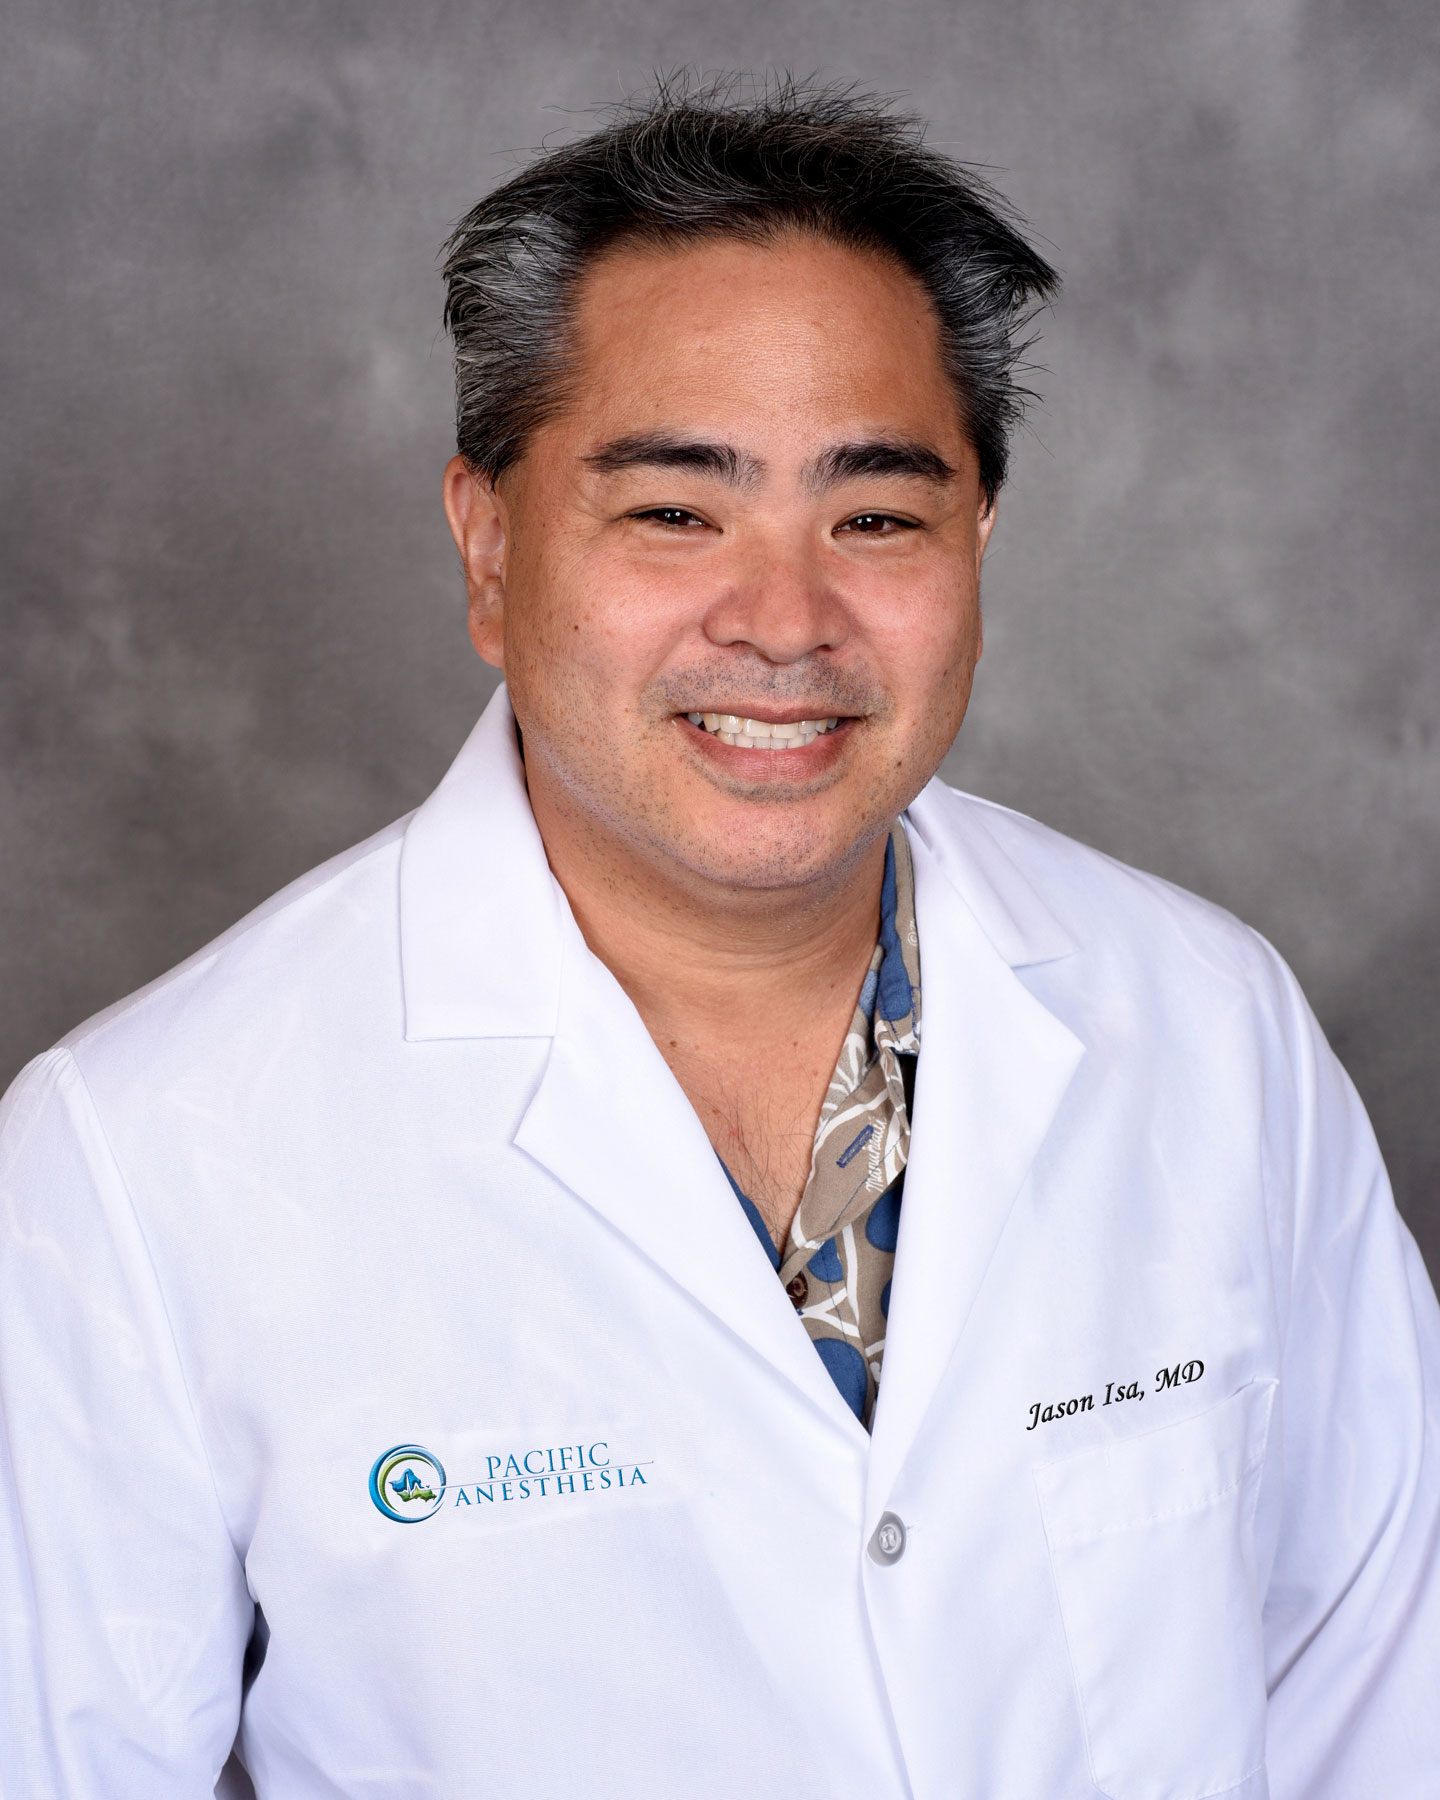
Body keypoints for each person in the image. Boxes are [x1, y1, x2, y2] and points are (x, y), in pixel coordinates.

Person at [1, 78, 1437, 1800]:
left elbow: (1383, 1697)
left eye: (878, 515)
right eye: (677, 511)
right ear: (488, 542)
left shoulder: (1209, 1025)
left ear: (978, 535)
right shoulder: (140, 1156)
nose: (784, 621)